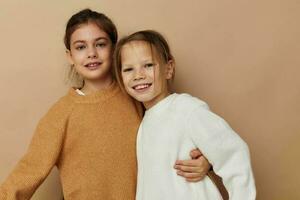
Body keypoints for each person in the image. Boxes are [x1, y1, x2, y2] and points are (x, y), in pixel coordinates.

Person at [0, 9, 211, 200]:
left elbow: (177, 132)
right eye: (81, 47)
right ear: (70, 56)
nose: (91, 53)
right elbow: (28, 170)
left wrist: (207, 160)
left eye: (100, 44)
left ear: (114, 50)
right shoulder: (61, 114)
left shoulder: (137, 95)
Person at [113, 30, 256, 200]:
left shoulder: (186, 109)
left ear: (168, 68)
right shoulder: (145, 122)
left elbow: (233, 154)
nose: (138, 75)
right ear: (121, 78)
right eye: (129, 69)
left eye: (148, 65)